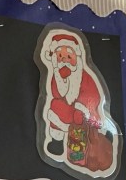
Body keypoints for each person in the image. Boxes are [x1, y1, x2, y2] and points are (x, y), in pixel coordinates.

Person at [37, 30, 118, 172]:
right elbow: (56, 93)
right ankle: (57, 142)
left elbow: (94, 96)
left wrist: (83, 108)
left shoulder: (85, 76)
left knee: (80, 124)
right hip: (66, 109)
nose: (64, 60)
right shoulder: (57, 74)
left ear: (77, 57)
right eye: (60, 56)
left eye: (69, 56)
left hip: (84, 111)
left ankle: (83, 152)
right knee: (55, 107)